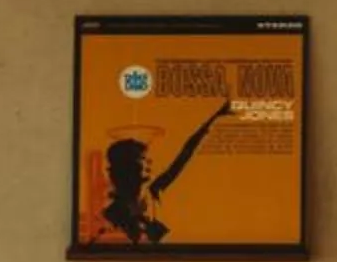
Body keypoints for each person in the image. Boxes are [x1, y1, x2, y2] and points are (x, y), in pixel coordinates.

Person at [91, 98, 232, 246]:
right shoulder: (111, 215)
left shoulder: (154, 191)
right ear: (128, 167)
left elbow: (185, 154)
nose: (149, 163)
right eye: (143, 159)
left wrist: (215, 117)